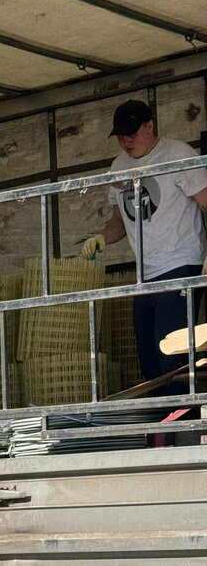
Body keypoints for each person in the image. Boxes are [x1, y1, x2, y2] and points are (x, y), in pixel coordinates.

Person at [82, 99, 207, 393]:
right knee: (148, 357)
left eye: (132, 133)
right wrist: (101, 238)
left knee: (173, 355)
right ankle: (162, 417)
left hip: (181, 265)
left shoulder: (177, 155)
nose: (126, 141)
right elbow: (119, 221)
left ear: (151, 125)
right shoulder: (119, 167)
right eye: (120, 136)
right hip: (145, 274)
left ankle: (181, 416)